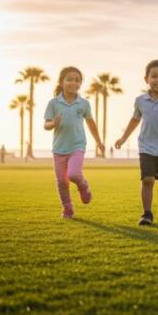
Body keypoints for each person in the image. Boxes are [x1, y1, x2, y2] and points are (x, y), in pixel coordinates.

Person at [115, 60, 158, 226]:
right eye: (154, 76)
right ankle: (147, 214)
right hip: (146, 147)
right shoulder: (140, 100)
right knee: (147, 180)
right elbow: (135, 119)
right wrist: (124, 138)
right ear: (146, 78)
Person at [43, 66, 104, 219]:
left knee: (73, 174)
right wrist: (53, 124)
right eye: (69, 79)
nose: (73, 83)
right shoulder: (54, 103)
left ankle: (83, 186)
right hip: (59, 148)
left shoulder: (83, 104)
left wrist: (98, 141)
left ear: (80, 83)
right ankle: (68, 209)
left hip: (77, 146)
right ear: (61, 82)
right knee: (62, 182)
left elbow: (91, 123)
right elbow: (46, 124)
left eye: (77, 80)